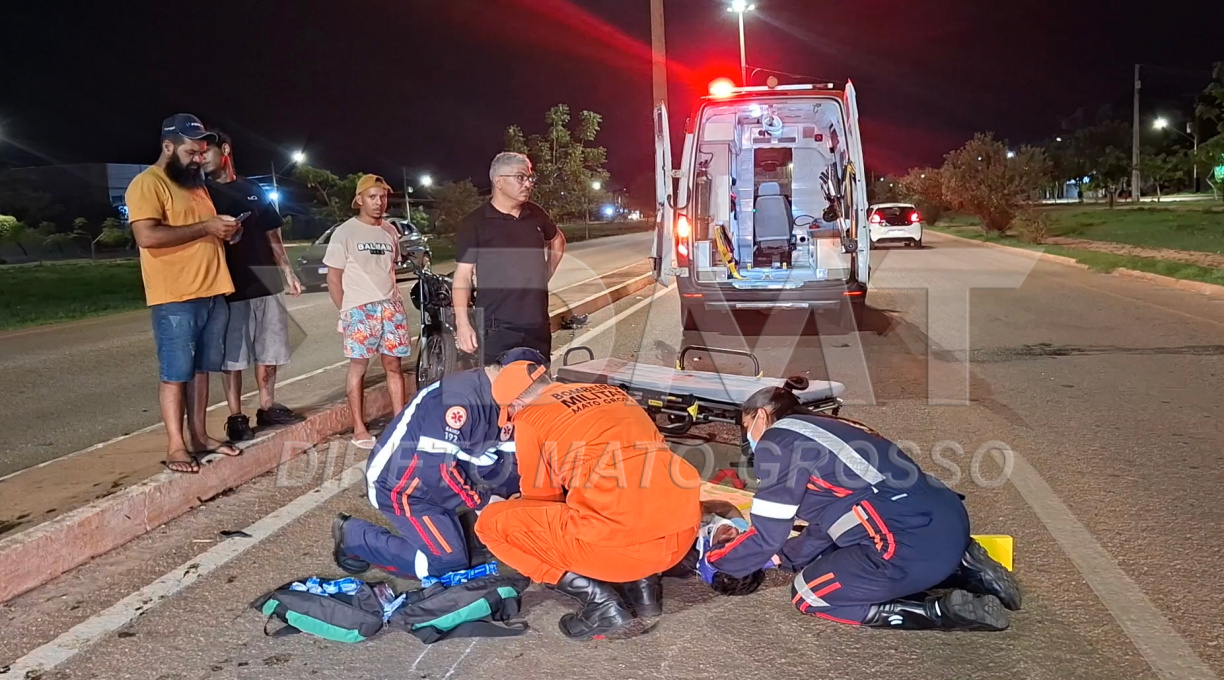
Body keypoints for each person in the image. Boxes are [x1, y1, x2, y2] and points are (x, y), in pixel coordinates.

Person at [699, 386, 1022, 631]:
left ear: (761, 415)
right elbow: (831, 522)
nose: (748, 439)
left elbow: (769, 531)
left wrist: (717, 561)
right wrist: (782, 557)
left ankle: (939, 611)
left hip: (910, 543)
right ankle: (966, 568)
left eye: (746, 426)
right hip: (946, 520)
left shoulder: (778, 440)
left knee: (808, 593)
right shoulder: (833, 428)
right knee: (841, 547)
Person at [476, 362, 702, 640]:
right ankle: (645, 592)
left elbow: (542, 498)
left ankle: (598, 601)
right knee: (628, 490)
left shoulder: (530, 418)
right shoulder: (613, 393)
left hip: (626, 553)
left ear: (517, 403)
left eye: (510, 412)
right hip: (680, 537)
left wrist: (516, 507)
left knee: (489, 524)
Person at [332, 348, 543, 580]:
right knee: (448, 566)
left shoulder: (505, 399)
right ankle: (355, 537)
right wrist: (482, 502)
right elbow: (436, 471)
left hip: (445, 478)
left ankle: (463, 532)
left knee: (496, 508)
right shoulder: (459, 400)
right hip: (404, 488)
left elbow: (512, 459)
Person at [125, 113, 242, 474]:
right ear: (168, 147)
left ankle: (200, 436)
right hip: (176, 296)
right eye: (191, 152)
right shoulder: (147, 184)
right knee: (176, 373)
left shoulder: (195, 185)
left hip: (213, 292)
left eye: (202, 152)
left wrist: (226, 231)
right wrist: (206, 226)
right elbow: (147, 236)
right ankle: (176, 446)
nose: (198, 159)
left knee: (202, 370)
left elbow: (203, 229)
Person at [201, 130, 305, 442]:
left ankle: (267, 406)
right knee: (233, 356)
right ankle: (236, 416)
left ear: (225, 150)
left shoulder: (253, 189)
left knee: (270, 350)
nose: (201, 157)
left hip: (267, 280)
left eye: (207, 151)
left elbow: (273, 233)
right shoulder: (202, 194)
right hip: (230, 286)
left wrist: (287, 271)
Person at [452, 152, 566, 365]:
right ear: (499, 181)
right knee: (498, 384)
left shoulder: (536, 214)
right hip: (496, 326)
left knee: (538, 382)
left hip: (536, 323)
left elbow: (557, 240)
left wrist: (544, 275)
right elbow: (463, 276)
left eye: (530, 178)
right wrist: (463, 323)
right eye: (520, 177)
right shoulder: (475, 223)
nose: (528, 184)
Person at [323, 175, 410, 449]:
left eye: (383, 197)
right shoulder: (344, 232)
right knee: (359, 366)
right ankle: (359, 428)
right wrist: (345, 311)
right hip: (360, 310)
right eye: (372, 197)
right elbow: (333, 278)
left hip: (391, 307)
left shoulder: (390, 231)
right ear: (359, 199)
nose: (379, 202)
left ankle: (399, 424)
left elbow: (390, 269)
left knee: (393, 365)